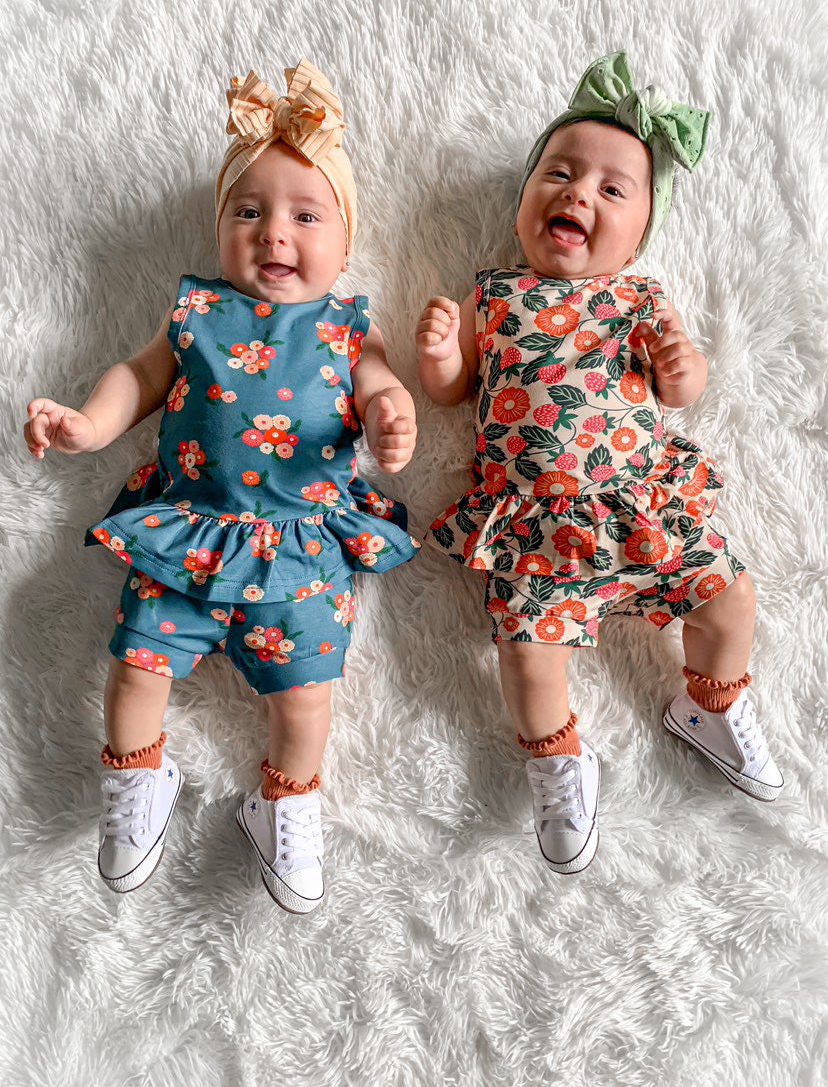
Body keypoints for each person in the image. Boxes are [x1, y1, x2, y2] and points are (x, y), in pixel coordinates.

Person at [24, 59, 419, 912]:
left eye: (305, 216)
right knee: (136, 665)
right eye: (249, 211)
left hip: (301, 548)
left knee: (307, 696)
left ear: (343, 243)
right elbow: (137, 376)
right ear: (221, 229)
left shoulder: (351, 328)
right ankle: (137, 782)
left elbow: (384, 386)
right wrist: (90, 424)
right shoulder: (196, 312)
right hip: (188, 534)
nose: (274, 233)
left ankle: (286, 802)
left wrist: (392, 416)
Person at [417, 52, 782, 876]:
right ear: (523, 204)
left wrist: (684, 367)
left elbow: (680, 388)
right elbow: (450, 393)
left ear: (640, 230)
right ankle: (556, 759)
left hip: (639, 507)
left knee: (730, 600)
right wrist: (441, 353)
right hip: (536, 526)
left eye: (613, 190)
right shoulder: (495, 295)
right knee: (525, 653)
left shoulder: (640, 298)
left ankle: (709, 702)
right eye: (559, 174)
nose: (579, 193)